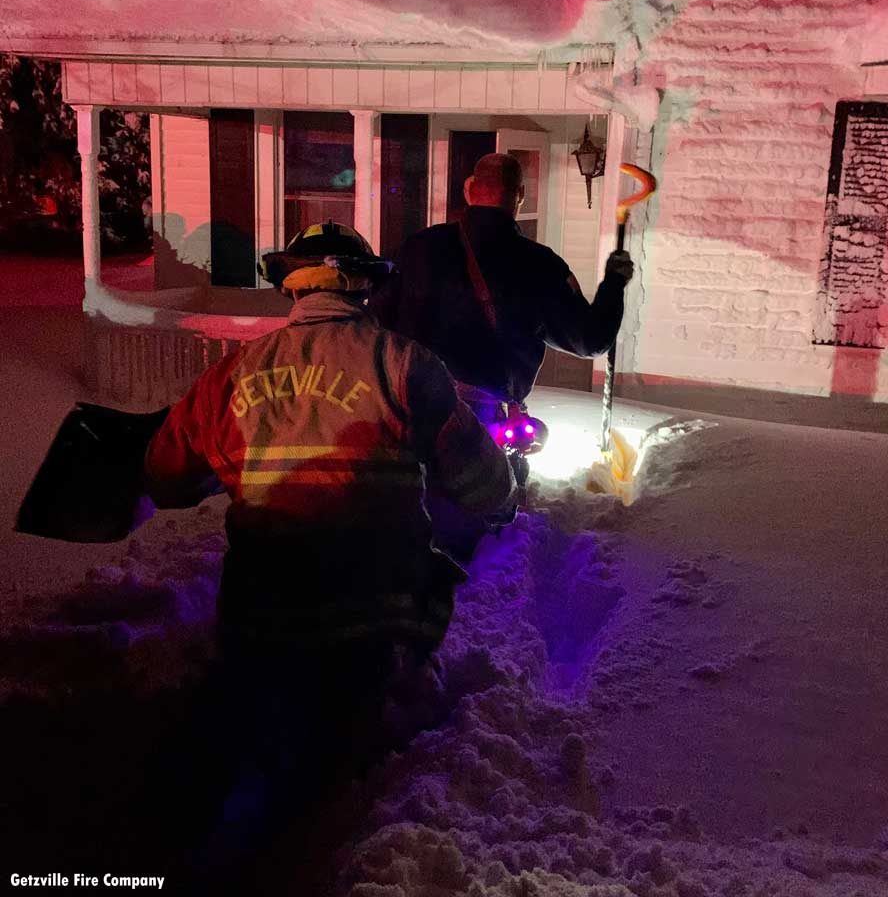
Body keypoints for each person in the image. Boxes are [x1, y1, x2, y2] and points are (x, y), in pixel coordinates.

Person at [142, 220, 515, 877]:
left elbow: (165, 477)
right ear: (364, 287)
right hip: (369, 626)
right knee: (340, 776)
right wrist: (505, 500)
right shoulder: (405, 365)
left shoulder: (230, 376)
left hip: (262, 622)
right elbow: (482, 483)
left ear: (292, 286)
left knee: (245, 753)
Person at [370, 151, 635, 429]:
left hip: (411, 415)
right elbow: (590, 340)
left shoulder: (417, 248)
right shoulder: (539, 265)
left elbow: (375, 324)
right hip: (487, 425)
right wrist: (614, 283)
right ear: (520, 195)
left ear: (468, 189)